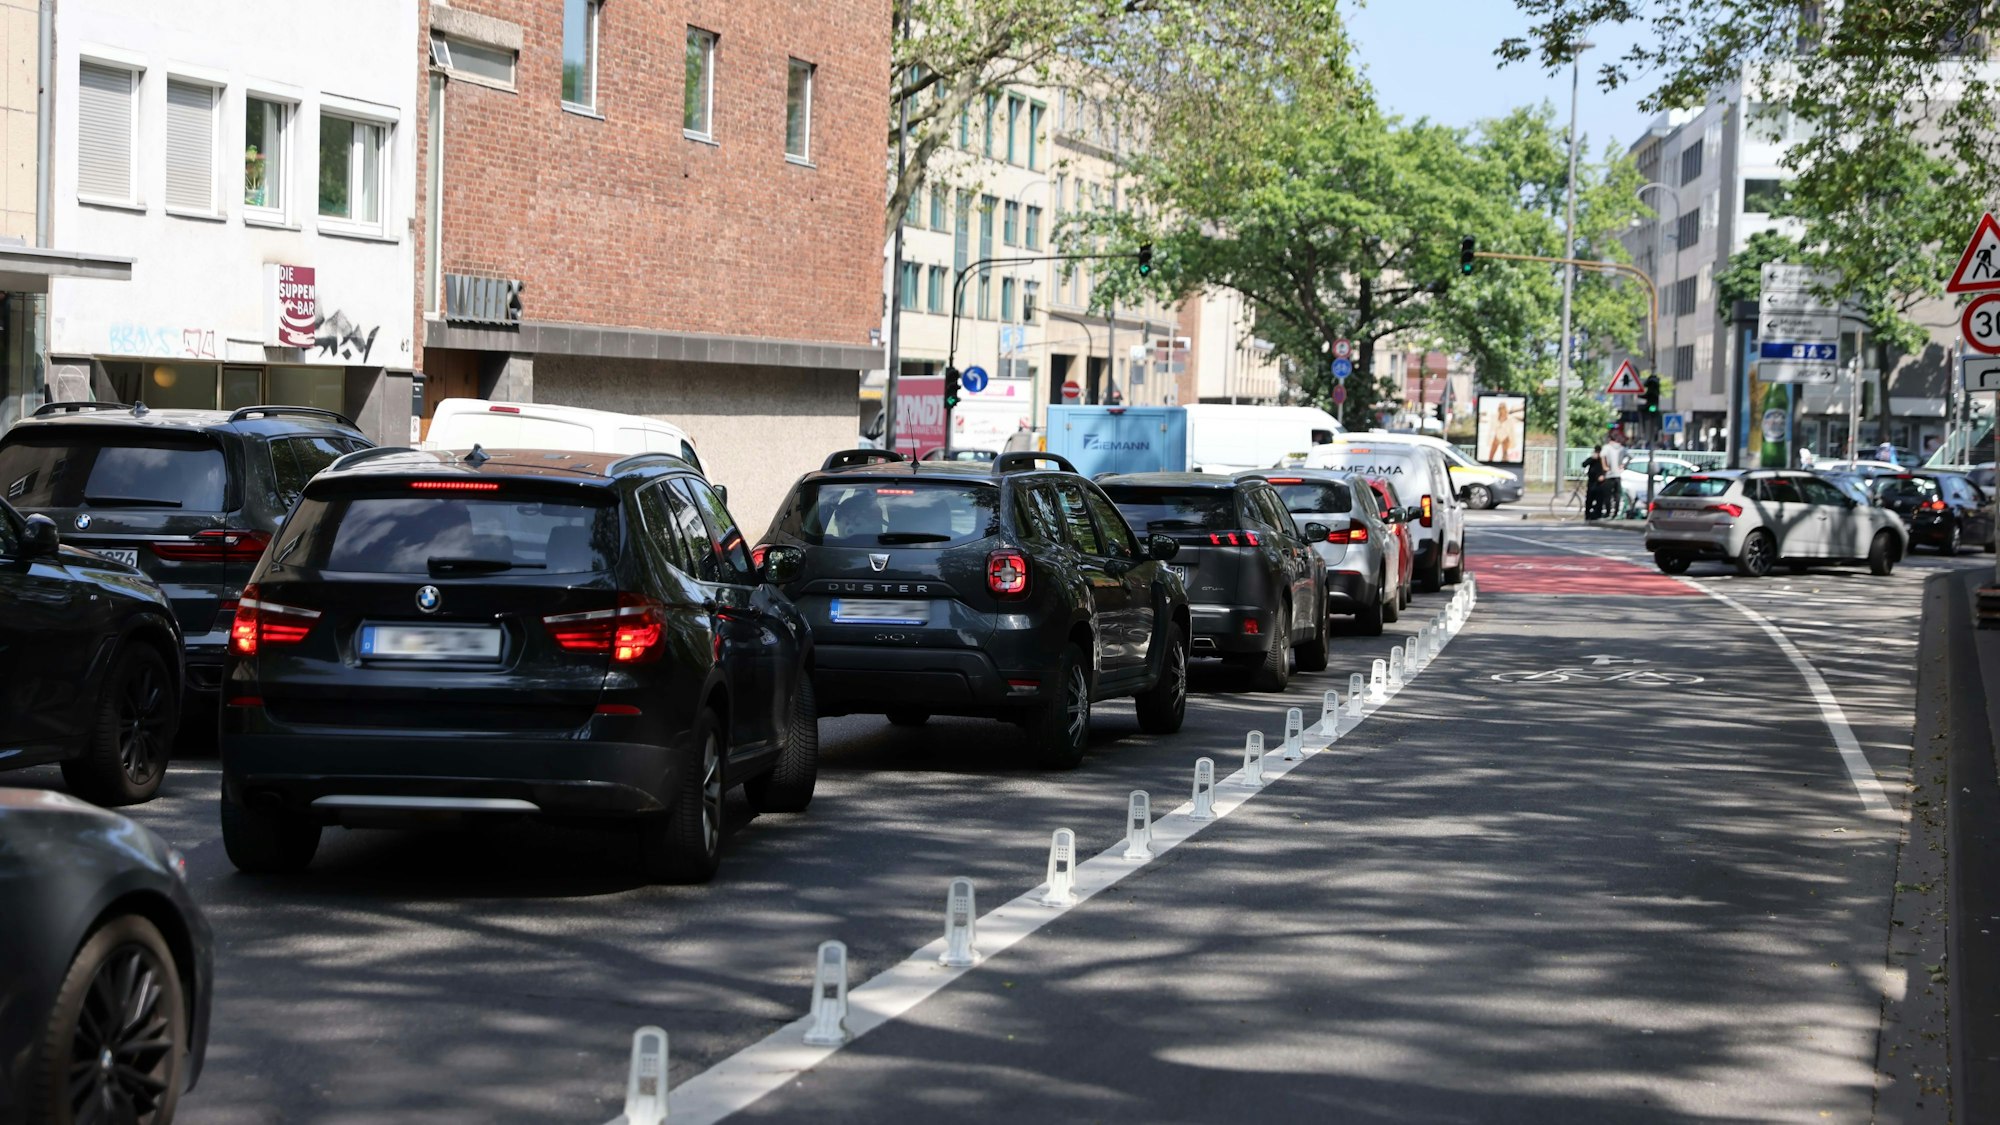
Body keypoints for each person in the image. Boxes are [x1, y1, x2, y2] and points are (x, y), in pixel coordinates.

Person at [1583, 443, 1608, 520]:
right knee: (1589, 500)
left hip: (1600, 483)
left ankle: (1597, 514)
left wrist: (1603, 475)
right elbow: (1584, 464)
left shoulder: (1603, 459)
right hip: (1591, 482)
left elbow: (1606, 468)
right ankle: (1588, 515)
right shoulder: (1592, 459)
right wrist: (1592, 458)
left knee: (1599, 499)